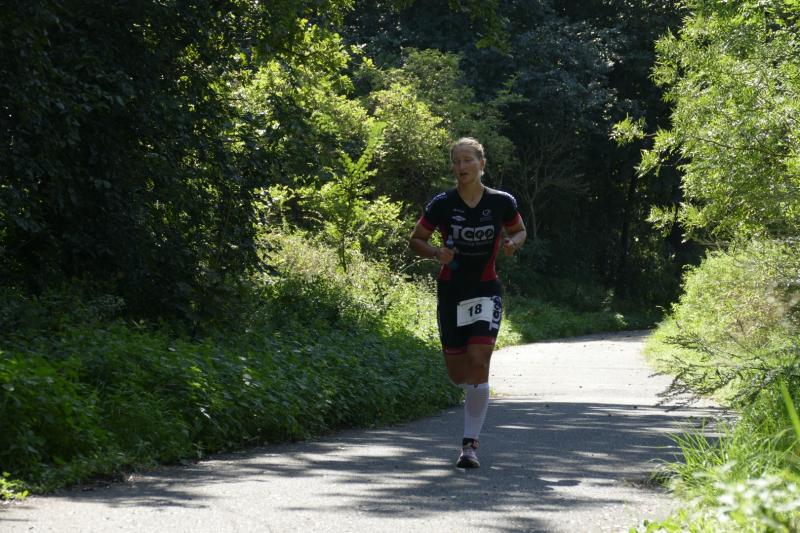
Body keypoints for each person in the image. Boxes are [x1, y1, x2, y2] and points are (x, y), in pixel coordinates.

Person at [409, 137, 526, 468]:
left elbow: (520, 230)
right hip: (452, 292)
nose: (461, 167)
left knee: (479, 357)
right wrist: (436, 252)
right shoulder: (442, 204)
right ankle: (471, 389)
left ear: (481, 165)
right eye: (457, 161)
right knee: (458, 373)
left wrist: (513, 243)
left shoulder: (501, 202)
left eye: (468, 160)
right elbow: (416, 239)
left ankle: (469, 444)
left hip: (486, 289)